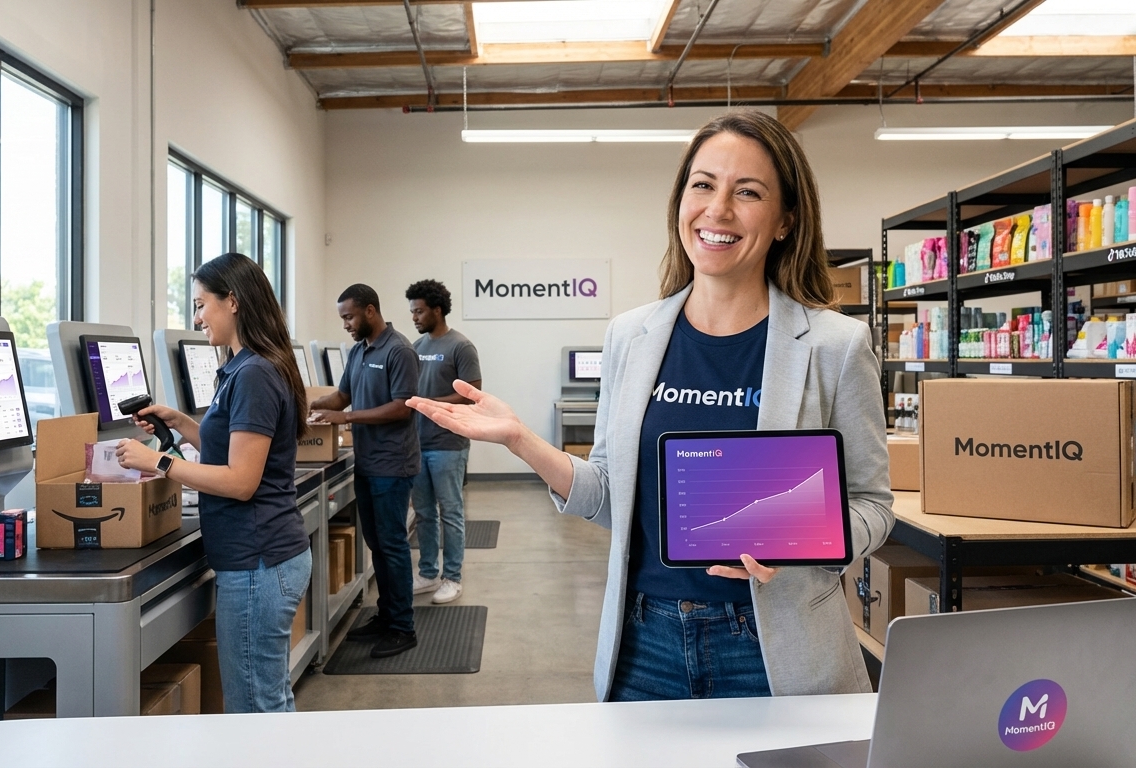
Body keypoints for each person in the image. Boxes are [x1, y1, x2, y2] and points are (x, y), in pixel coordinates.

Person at [409, 111, 894, 702]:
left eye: (748, 192)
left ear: (786, 220)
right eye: (703, 184)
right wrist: (520, 440)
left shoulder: (834, 346)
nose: (718, 209)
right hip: (645, 643)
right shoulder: (631, 336)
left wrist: (796, 543)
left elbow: (872, 505)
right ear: (680, 201)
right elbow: (614, 498)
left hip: (774, 649)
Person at [115, 252, 311, 713]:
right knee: (270, 698)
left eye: (202, 305)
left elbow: (241, 480)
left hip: (258, 559)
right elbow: (230, 448)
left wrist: (159, 462)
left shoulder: (255, 374)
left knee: (254, 707)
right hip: (262, 555)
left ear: (234, 302)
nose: (198, 318)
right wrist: (180, 422)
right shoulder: (246, 367)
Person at [310, 284, 422, 658]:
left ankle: (403, 627)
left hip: (393, 465)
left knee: (392, 546)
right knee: (376, 544)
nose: (345, 325)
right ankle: (386, 616)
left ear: (370, 311)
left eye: (349, 317)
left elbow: (402, 407)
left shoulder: (399, 350)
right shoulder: (359, 351)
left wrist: (346, 417)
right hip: (368, 463)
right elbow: (340, 397)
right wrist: (301, 404)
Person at [405, 279, 482, 604]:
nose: (415, 317)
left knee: (450, 511)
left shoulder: (460, 346)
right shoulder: (417, 347)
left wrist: (432, 403)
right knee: (423, 512)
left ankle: (452, 577)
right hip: (418, 444)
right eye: (412, 312)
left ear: (437, 309)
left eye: (419, 311)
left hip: (449, 444)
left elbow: (472, 393)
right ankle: (426, 572)